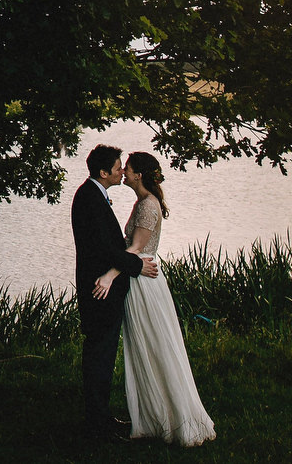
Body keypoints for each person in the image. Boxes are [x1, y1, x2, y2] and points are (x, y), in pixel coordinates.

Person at [108, 151, 216, 446]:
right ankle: (154, 415)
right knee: (147, 345)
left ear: (139, 175)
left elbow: (135, 250)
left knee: (154, 344)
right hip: (140, 277)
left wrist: (109, 275)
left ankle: (171, 417)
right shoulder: (143, 202)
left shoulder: (147, 206)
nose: (124, 173)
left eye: (127, 169)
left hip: (143, 280)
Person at [72, 144, 157, 439]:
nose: (123, 172)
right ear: (103, 172)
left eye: (124, 167)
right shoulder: (89, 198)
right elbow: (103, 248)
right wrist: (135, 264)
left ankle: (101, 418)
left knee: (103, 354)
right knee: (100, 354)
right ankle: (97, 423)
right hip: (98, 290)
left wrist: (130, 262)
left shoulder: (94, 195)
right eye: (119, 168)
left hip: (102, 287)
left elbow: (109, 246)